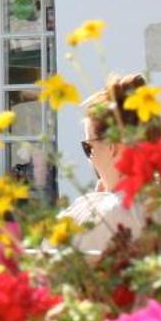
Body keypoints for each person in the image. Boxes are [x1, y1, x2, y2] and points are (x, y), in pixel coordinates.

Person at [62, 73, 150, 254]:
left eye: (88, 147)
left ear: (112, 147)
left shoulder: (107, 212)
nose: (90, 158)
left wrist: (95, 204)